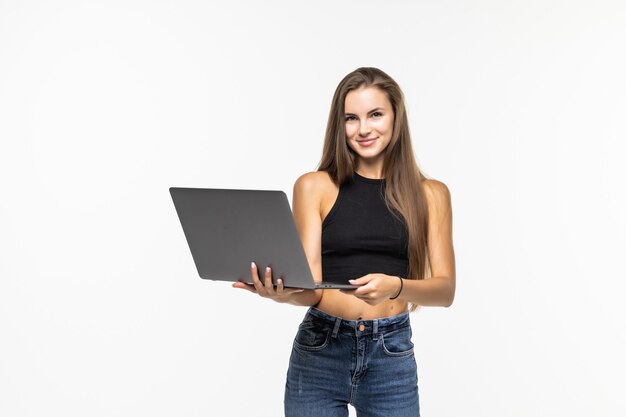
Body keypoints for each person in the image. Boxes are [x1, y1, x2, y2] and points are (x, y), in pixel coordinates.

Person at [233, 67, 456, 417]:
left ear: (397, 117)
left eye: (376, 114)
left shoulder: (431, 195)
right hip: (321, 347)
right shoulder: (314, 186)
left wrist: (395, 286)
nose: (363, 129)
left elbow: (445, 291)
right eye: (351, 118)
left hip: (390, 354)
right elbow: (312, 289)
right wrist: (279, 292)